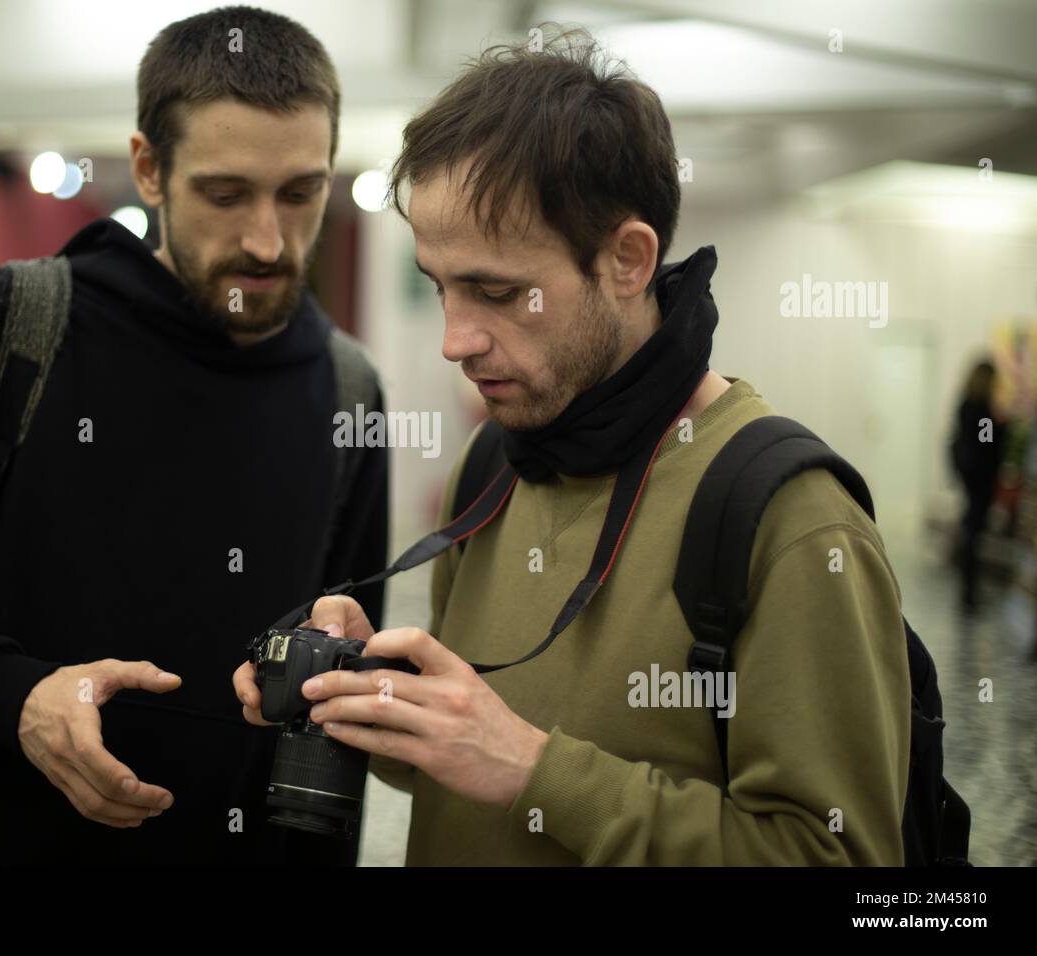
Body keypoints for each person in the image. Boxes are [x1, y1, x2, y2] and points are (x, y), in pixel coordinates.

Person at [235, 30, 910, 865]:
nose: (454, 341)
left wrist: (534, 771)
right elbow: (470, 766)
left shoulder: (790, 517)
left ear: (628, 260)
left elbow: (840, 862)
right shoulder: (495, 467)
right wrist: (362, 699)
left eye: (493, 291)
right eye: (441, 287)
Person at [0, 6, 387, 865]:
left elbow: (338, 713)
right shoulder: (18, 327)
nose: (269, 239)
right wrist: (17, 698)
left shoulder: (351, 390)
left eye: (301, 193)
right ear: (149, 169)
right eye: (225, 194)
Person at [949, 358, 1007, 613]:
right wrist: (1001, 428)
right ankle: (969, 593)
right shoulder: (980, 409)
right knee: (974, 531)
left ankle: (968, 590)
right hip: (980, 478)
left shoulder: (965, 405)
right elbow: (986, 442)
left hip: (970, 476)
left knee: (971, 530)